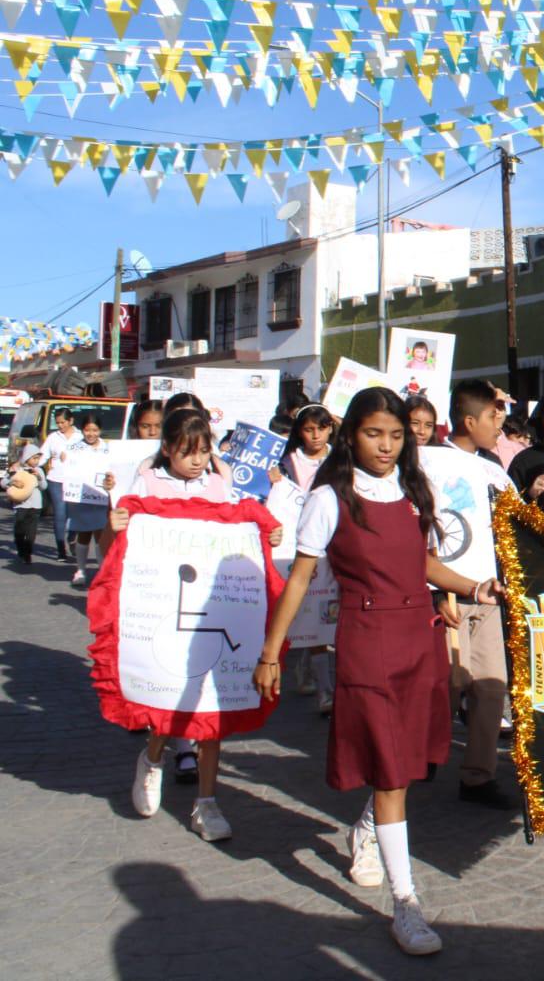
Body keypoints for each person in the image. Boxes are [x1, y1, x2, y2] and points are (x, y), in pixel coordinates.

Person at [253, 387, 498, 956]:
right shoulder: (329, 498)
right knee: (390, 771)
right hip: (367, 643)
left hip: (420, 639)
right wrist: (271, 653)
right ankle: (405, 903)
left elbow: (424, 562)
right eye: (373, 434)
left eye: (395, 434)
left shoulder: (413, 488)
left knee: (409, 762)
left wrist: (474, 587)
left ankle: (366, 829)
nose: (387, 446)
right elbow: (300, 579)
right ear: (350, 435)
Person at [111, 409, 284, 843]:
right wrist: (114, 526)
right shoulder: (148, 482)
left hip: (213, 604)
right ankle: (152, 759)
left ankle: (206, 803)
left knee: (211, 709)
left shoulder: (217, 484)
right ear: (167, 449)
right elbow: (122, 546)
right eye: (187, 452)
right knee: (168, 701)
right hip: (164, 608)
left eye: (204, 451)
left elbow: (237, 527)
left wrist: (267, 534)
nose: (196, 460)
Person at [440, 378, 517, 809]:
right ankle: (423, 757)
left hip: (490, 593)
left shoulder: (494, 469)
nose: (500, 423)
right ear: (469, 420)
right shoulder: (433, 463)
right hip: (448, 594)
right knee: (451, 684)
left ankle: (478, 775)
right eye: (493, 415)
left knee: (492, 685)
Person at [270, 404, 338, 713]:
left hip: (333, 546)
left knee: (326, 617)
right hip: (300, 547)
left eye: (321, 428)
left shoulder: (339, 459)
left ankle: (324, 685)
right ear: (300, 431)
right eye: (309, 429)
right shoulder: (286, 464)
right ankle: (316, 675)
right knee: (308, 613)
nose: (315, 435)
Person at [64, 416, 114, 588]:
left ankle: (102, 571)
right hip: (80, 498)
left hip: (101, 497)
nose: (91, 434)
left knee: (101, 535)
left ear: (100, 430)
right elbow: (67, 467)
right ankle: (81, 570)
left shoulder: (108, 449)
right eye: (87, 430)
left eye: (94, 430)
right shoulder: (74, 448)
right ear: (82, 430)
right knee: (83, 534)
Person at [40, 408, 82, 561]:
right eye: (57, 423)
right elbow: (43, 455)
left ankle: (72, 538)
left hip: (75, 481)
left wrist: (70, 456)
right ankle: (60, 549)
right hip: (56, 480)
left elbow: (88, 456)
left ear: (70, 421)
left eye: (63, 422)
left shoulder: (80, 436)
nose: (60, 426)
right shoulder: (53, 437)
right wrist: (29, 464)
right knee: (60, 514)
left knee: (74, 514)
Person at [6, 446, 45, 566]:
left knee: (31, 532)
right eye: (34, 458)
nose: (36, 461)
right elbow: (4, 482)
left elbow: (44, 487)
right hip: (21, 505)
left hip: (35, 506)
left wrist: (39, 478)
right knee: (19, 530)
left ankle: (27, 554)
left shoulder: (39, 470)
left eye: (38, 458)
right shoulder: (18, 470)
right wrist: (12, 481)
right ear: (27, 458)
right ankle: (20, 548)